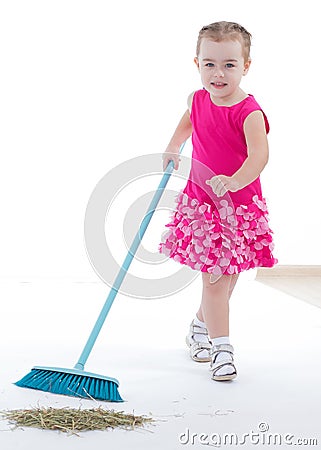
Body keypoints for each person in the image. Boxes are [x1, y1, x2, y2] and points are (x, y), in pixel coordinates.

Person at [159, 21, 278, 381]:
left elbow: (259, 157)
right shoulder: (197, 99)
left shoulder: (249, 112)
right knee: (215, 280)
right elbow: (188, 123)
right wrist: (173, 147)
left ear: (246, 66)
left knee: (226, 279)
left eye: (229, 64)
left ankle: (199, 327)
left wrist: (234, 180)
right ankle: (222, 349)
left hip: (237, 207)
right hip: (203, 207)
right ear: (197, 64)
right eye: (209, 64)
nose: (219, 73)